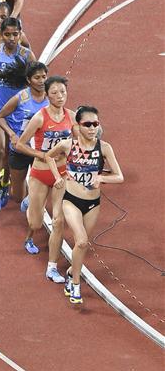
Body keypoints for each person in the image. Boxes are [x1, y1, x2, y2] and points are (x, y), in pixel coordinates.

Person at [44, 106, 124, 304]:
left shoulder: (104, 148)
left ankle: (72, 273)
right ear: (78, 126)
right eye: (87, 124)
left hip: (93, 203)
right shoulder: (67, 145)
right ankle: (76, 286)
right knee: (80, 241)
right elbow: (48, 156)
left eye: (95, 124)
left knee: (83, 244)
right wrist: (57, 177)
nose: (92, 128)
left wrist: (102, 179)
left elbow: (119, 177)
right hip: (71, 200)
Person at [14, 76, 75, 281]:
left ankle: (51, 268)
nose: (60, 96)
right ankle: (30, 204)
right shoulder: (40, 117)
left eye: (63, 92)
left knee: (58, 221)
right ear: (47, 95)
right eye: (55, 92)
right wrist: (41, 155)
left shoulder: (72, 117)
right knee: (36, 223)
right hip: (40, 174)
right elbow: (20, 144)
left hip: (62, 174)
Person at [0, 17, 35, 211]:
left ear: (20, 34)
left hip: (17, 110)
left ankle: (5, 183)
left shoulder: (26, 55)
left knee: (12, 152)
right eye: (7, 34)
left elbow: (37, 77)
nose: (11, 38)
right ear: (1, 35)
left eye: (15, 34)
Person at [0, 62, 48, 209]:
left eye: (44, 76)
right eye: (37, 77)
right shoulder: (20, 98)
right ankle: (6, 183)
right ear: (29, 80)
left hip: (40, 150)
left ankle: (33, 209)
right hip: (20, 149)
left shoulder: (51, 97)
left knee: (39, 190)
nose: (42, 80)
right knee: (18, 197)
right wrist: (11, 134)